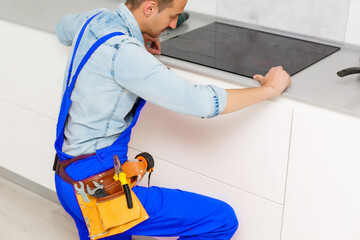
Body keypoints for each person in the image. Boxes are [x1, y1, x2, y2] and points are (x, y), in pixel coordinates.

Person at [54, 0, 291, 239]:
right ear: (150, 8)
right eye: (173, 15)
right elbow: (200, 102)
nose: (175, 23)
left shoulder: (94, 19)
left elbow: (62, 28)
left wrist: (139, 40)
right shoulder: (125, 54)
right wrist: (268, 90)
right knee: (220, 219)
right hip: (100, 190)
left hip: (68, 180)